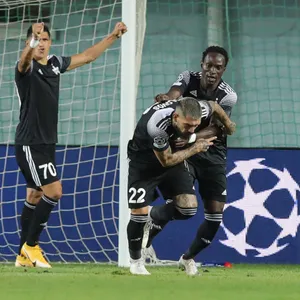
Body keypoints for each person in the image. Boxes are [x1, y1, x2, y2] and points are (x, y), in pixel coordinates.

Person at [14, 21, 127, 268]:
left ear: (50, 43)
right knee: (54, 192)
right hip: (30, 143)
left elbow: (87, 56)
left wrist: (113, 37)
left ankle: (22, 256)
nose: (41, 44)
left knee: (34, 195)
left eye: (44, 39)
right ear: (29, 43)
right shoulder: (25, 68)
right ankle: (31, 246)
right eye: (36, 39)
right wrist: (31, 40)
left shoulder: (55, 64)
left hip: (47, 142)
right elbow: (23, 62)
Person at [143, 46, 238, 275]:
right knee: (182, 204)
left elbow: (216, 130)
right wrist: (168, 99)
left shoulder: (228, 95)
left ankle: (187, 258)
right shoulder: (188, 77)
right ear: (202, 64)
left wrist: (192, 137)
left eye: (218, 67)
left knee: (215, 217)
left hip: (212, 154)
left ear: (224, 69)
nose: (212, 71)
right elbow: (175, 93)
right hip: (186, 152)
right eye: (208, 65)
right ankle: (145, 238)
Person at [126, 96, 235, 275]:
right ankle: (136, 262)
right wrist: (195, 147)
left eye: (195, 125)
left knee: (188, 208)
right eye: (187, 126)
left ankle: (153, 216)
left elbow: (215, 106)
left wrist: (229, 125)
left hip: (172, 157)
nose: (191, 130)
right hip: (144, 163)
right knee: (138, 213)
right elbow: (166, 160)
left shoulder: (200, 109)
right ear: (176, 117)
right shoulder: (157, 126)